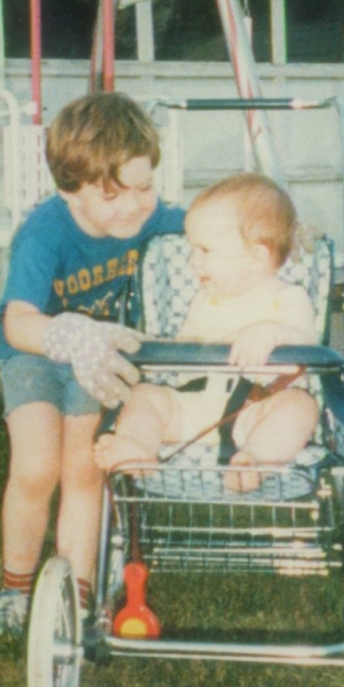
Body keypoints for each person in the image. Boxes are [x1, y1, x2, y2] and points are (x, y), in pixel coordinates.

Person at [0, 92, 185, 638]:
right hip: (39, 352)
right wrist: (67, 333)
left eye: (144, 187)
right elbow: (18, 321)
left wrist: (279, 233)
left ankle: (77, 597)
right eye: (114, 194)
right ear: (71, 189)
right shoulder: (44, 231)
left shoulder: (155, 218)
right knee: (36, 467)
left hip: (101, 358)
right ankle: (15, 590)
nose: (135, 206)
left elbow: (220, 224)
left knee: (84, 469)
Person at [94, 173, 320, 492]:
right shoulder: (203, 300)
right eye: (192, 249)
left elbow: (308, 346)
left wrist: (273, 333)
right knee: (145, 396)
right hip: (195, 406)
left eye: (204, 250)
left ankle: (254, 461)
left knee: (300, 407)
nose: (192, 261)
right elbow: (182, 352)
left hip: (256, 410)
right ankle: (138, 448)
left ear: (255, 258)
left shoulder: (288, 298)